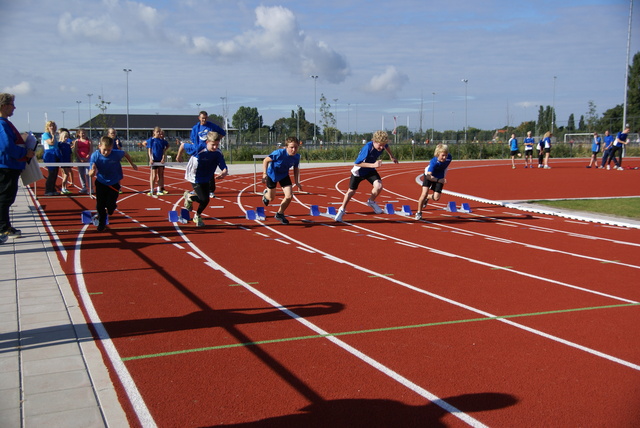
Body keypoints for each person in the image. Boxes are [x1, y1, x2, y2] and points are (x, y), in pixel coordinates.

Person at [334, 130, 398, 222]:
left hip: (370, 170)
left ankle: (371, 201)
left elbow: (387, 147)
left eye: (383, 145)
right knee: (351, 191)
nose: (381, 147)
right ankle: (342, 209)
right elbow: (357, 163)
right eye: (380, 145)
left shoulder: (383, 145)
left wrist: (392, 156)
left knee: (379, 186)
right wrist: (373, 165)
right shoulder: (367, 148)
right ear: (374, 142)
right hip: (359, 171)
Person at [0, 93, 35, 242]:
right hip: (6, 166)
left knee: (7, 197)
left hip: (10, 165)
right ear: (4, 106)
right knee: (4, 197)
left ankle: (5, 225)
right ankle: (3, 228)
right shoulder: (2, 124)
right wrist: (24, 152)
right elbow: (7, 146)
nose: (14, 107)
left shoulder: (5, 123)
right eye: (12, 104)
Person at [178, 131, 228, 227]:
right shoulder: (198, 148)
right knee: (204, 198)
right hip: (194, 175)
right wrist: (178, 156)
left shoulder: (218, 152)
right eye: (213, 145)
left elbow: (222, 164)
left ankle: (195, 210)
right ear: (207, 142)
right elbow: (183, 145)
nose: (215, 147)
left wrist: (224, 171)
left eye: (217, 145)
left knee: (206, 200)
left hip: (207, 175)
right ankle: (191, 201)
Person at [88, 136, 137, 232]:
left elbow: (125, 154)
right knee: (100, 205)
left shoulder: (116, 154)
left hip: (114, 182)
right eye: (104, 150)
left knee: (110, 205)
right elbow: (90, 173)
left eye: (109, 150)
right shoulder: (95, 156)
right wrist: (92, 171)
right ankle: (102, 223)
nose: (106, 152)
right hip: (101, 182)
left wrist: (131, 164)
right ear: (99, 146)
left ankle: (112, 207)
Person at [261, 137, 302, 225]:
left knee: (289, 196)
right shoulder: (279, 153)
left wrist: (297, 182)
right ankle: (265, 195)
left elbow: (295, 169)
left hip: (284, 175)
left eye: (296, 147)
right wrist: (264, 173)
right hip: (272, 175)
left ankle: (280, 213)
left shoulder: (296, 157)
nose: (294, 150)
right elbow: (265, 160)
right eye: (291, 147)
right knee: (271, 198)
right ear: (286, 147)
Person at [191, 111, 226, 198]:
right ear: (199, 118)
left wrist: (215, 141)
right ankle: (197, 188)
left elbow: (223, 133)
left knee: (210, 170)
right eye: (202, 118)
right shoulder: (196, 128)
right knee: (198, 170)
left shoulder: (211, 126)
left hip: (210, 151)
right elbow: (193, 140)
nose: (204, 120)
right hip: (200, 151)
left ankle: (210, 190)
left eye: (205, 118)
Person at [415, 143, 452, 220]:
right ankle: (419, 212)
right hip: (429, 176)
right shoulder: (433, 162)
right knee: (424, 193)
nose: (445, 157)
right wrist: (438, 180)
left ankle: (427, 197)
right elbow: (429, 176)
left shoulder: (449, 158)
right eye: (443, 155)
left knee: (436, 198)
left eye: (446, 155)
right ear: (437, 154)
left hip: (440, 176)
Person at [146, 126, 169, 196]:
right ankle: (152, 190)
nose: (158, 133)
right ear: (154, 132)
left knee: (160, 175)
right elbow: (149, 150)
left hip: (160, 160)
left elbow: (165, 148)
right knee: (153, 175)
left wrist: (163, 157)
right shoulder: (151, 140)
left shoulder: (162, 141)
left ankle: (159, 189)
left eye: (159, 132)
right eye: (157, 132)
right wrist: (150, 158)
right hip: (154, 159)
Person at [42, 120, 60, 196]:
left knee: (55, 172)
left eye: (53, 126)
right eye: (50, 126)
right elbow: (51, 143)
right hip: (49, 154)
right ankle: (48, 190)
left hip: (55, 153)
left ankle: (53, 189)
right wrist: (52, 135)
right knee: (51, 172)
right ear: (47, 127)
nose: (52, 127)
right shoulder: (45, 135)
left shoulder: (54, 135)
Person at [73, 128, 92, 194]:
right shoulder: (77, 141)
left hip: (87, 159)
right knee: (81, 173)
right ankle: (84, 187)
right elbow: (75, 151)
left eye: (84, 133)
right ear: (79, 134)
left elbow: (91, 150)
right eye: (82, 133)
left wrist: (87, 157)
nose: (83, 134)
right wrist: (80, 158)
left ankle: (91, 188)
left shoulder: (89, 141)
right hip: (79, 159)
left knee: (88, 173)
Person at [57, 128, 74, 194]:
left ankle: (64, 188)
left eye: (67, 137)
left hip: (67, 161)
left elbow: (70, 153)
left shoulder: (67, 145)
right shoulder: (60, 144)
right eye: (65, 137)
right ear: (61, 137)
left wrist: (71, 161)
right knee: (66, 174)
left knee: (66, 174)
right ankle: (63, 188)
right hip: (62, 161)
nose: (66, 138)